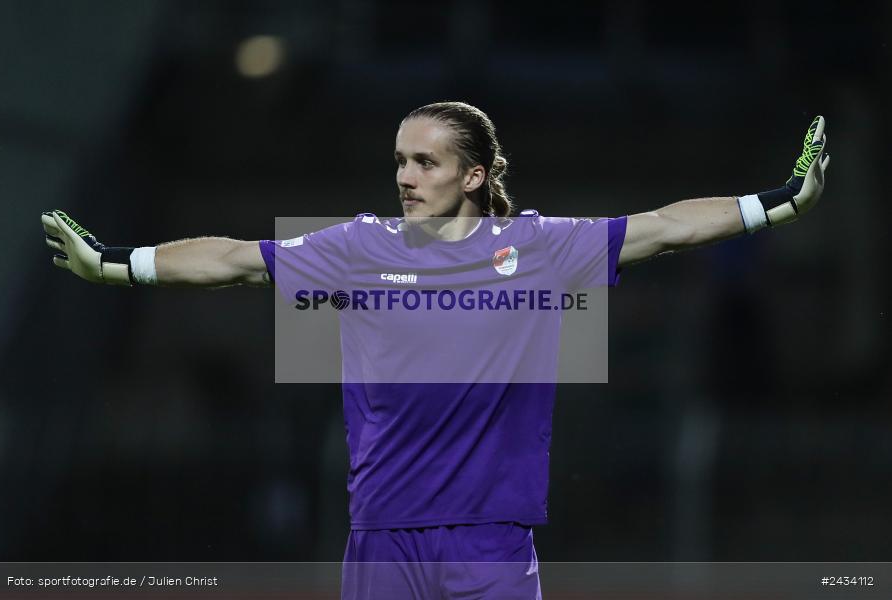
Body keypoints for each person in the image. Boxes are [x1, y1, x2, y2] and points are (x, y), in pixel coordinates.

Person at [41, 102, 829, 599]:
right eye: (399, 160)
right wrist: (117, 261)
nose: (405, 176)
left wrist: (779, 203)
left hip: (489, 540)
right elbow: (234, 261)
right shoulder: (357, 247)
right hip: (381, 537)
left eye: (425, 161)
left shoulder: (537, 248)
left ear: (474, 175)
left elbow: (665, 226)